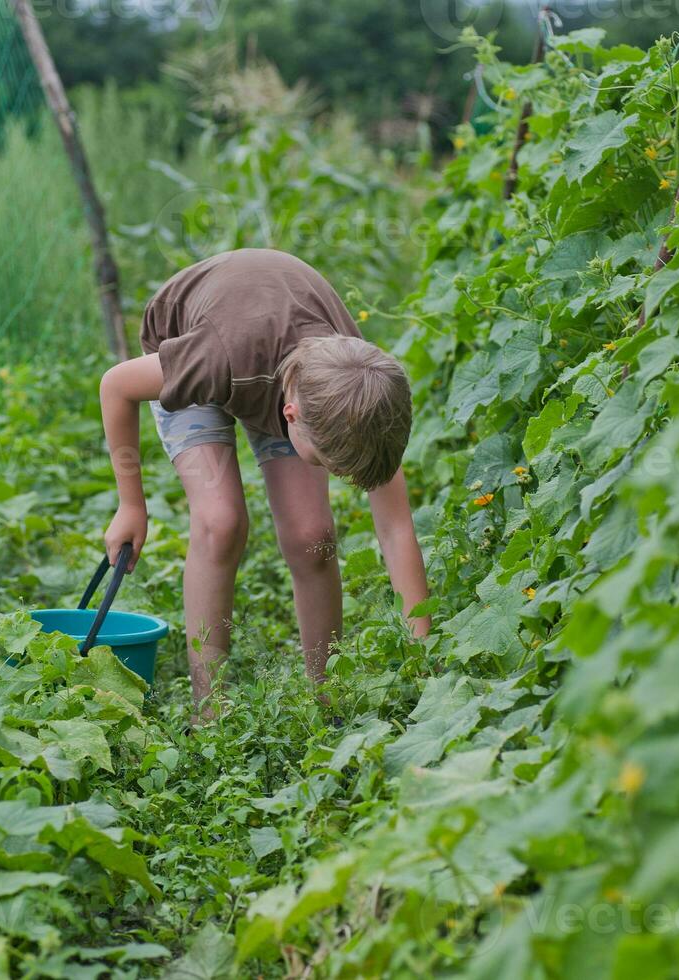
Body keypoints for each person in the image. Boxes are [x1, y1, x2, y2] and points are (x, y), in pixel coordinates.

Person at [98, 248, 430, 715]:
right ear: (290, 417)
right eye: (325, 463)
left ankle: (325, 698)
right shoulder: (210, 358)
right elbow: (116, 385)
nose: (333, 474)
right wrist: (131, 504)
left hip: (283, 362)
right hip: (195, 344)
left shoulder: (363, 396)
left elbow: (396, 530)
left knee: (312, 535)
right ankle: (209, 712)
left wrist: (424, 658)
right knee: (221, 522)